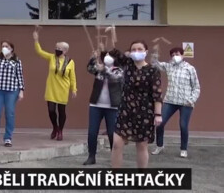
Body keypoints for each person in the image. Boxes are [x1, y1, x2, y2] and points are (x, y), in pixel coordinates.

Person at [111, 41, 163, 169]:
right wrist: (112, 36)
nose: (136, 52)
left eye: (140, 49)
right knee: (117, 143)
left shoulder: (153, 70)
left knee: (141, 145)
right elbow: (113, 52)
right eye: (134, 49)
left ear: (146, 52)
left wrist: (158, 114)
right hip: (125, 110)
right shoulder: (128, 65)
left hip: (144, 112)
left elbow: (157, 93)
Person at [150, 46, 200, 158]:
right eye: (172, 55)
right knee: (160, 123)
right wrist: (155, 53)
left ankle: (183, 149)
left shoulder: (190, 68)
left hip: (186, 103)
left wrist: (191, 100)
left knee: (183, 125)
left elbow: (196, 87)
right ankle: (159, 145)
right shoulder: (169, 66)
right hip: (170, 101)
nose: (174, 57)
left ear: (182, 55)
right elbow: (155, 64)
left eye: (177, 54)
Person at [33, 31, 77, 141]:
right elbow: (40, 51)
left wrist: (74, 89)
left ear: (65, 50)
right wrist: (36, 40)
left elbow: (72, 77)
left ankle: (60, 131)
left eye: (59, 48)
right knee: (51, 110)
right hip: (51, 89)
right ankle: (55, 127)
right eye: (56, 47)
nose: (56, 49)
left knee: (62, 111)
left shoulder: (70, 62)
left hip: (63, 89)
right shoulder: (52, 57)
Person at [83, 49, 124, 165]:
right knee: (92, 132)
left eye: (110, 55)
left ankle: (114, 157)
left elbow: (114, 77)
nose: (107, 57)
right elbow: (90, 69)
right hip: (95, 105)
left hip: (112, 107)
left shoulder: (120, 70)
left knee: (112, 133)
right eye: (106, 55)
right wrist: (93, 58)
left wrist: (104, 69)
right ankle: (91, 156)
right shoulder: (99, 69)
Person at [0, 39, 24, 147]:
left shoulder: (17, 61)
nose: (4, 48)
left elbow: (20, 76)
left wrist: (21, 90)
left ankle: (8, 138)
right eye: (3, 46)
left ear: (11, 48)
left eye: (6, 46)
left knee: (9, 114)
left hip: (11, 91)